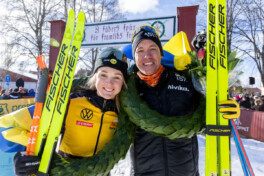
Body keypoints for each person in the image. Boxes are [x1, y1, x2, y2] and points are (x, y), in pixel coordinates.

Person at [122, 25, 240, 176]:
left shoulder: (186, 80)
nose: (147, 55)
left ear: (161, 53)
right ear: (134, 55)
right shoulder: (126, 90)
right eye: (140, 50)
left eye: (152, 48)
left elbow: (207, 115)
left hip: (185, 172)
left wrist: (224, 109)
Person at [13, 47, 130, 175]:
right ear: (95, 77)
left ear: (123, 82)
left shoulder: (125, 114)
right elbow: (38, 133)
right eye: (103, 75)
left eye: (117, 77)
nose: (109, 83)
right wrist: (23, 159)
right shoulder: (71, 102)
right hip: (65, 171)